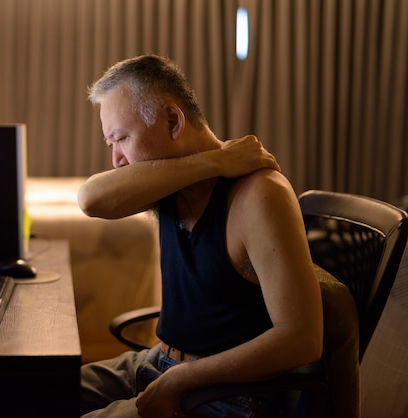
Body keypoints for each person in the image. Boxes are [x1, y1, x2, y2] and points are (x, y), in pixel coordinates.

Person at [77, 54, 324, 418]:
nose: (117, 160)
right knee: (25, 394)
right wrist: (214, 161)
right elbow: (90, 198)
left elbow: (302, 340)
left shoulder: (259, 194)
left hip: (228, 395)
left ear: (173, 120)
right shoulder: (168, 183)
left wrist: (183, 380)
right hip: (160, 361)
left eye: (122, 139)